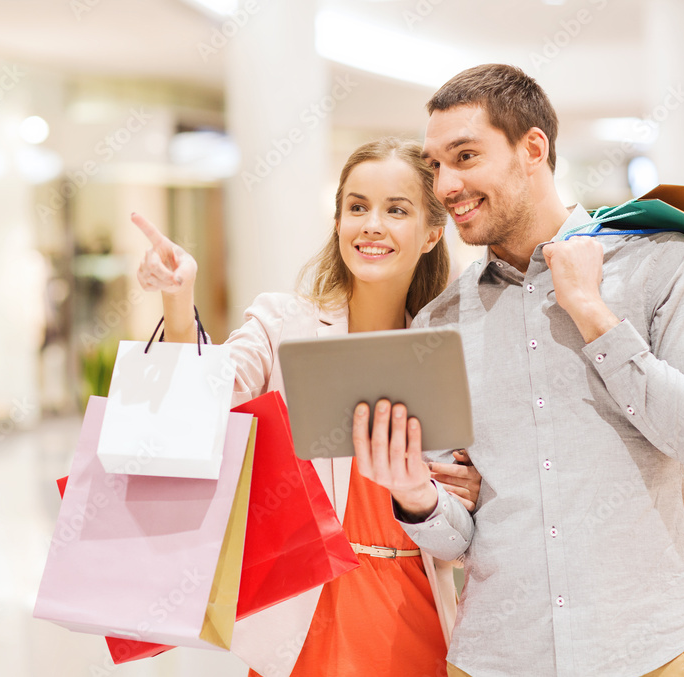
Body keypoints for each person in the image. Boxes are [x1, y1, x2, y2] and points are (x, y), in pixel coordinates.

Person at [352, 65, 684, 677]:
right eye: (436, 165)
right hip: (494, 658)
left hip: (641, 652)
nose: (446, 184)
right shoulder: (440, 323)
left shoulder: (659, 264)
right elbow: (457, 541)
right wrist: (413, 494)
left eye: (466, 156)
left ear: (533, 148)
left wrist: (593, 313)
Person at [133, 136, 482, 677]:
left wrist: (476, 488)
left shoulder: (456, 346)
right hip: (301, 618)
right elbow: (195, 403)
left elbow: (475, 515)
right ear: (339, 221)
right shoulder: (282, 325)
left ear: (433, 233)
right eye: (357, 207)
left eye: (396, 210)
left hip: (413, 617)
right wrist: (179, 303)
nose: (372, 225)